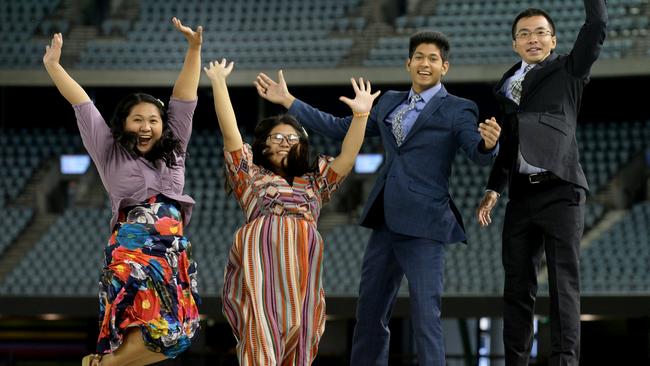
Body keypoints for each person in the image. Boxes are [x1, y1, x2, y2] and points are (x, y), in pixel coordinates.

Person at [255, 31, 501, 366]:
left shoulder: (459, 109)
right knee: (369, 313)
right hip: (385, 219)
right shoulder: (388, 101)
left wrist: (489, 145)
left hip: (425, 225)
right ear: (408, 63)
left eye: (432, 59)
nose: (424, 63)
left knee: (425, 316)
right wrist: (290, 102)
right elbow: (340, 125)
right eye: (418, 57)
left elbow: (476, 151)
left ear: (445, 67)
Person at [43, 17, 203, 366]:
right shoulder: (108, 150)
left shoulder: (175, 150)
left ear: (163, 126)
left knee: (180, 333)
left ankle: (103, 365)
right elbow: (82, 104)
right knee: (141, 325)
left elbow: (184, 98)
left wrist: (194, 50)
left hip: (172, 251)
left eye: (153, 121)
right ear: (124, 124)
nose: (146, 127)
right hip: (132, 251)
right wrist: (54, 67)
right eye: (137, 120)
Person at [204, 58, 380, 365]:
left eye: (292, 138)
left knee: (303, 332)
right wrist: (219, 82)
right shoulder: (250, 175)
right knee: (260, 327)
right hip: (261, 256)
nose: (285, 142)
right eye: (277, 137)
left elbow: (348, 157)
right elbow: (231, 134)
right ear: (263, 145)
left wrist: (361, 115)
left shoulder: (316, 181)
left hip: (303, 263)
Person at [476, 2, 607, 365]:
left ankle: (565, 361)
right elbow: (508, 145)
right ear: (514, 44)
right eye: (524, 34)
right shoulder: (504, 87)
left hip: (561, 189)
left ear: (553, 40)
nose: (532, 39)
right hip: (520, 196)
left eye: (540, 33)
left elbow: (596, 25)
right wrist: (492, 189)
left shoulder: (569, 69)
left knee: (563, 284)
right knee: (517, 288)